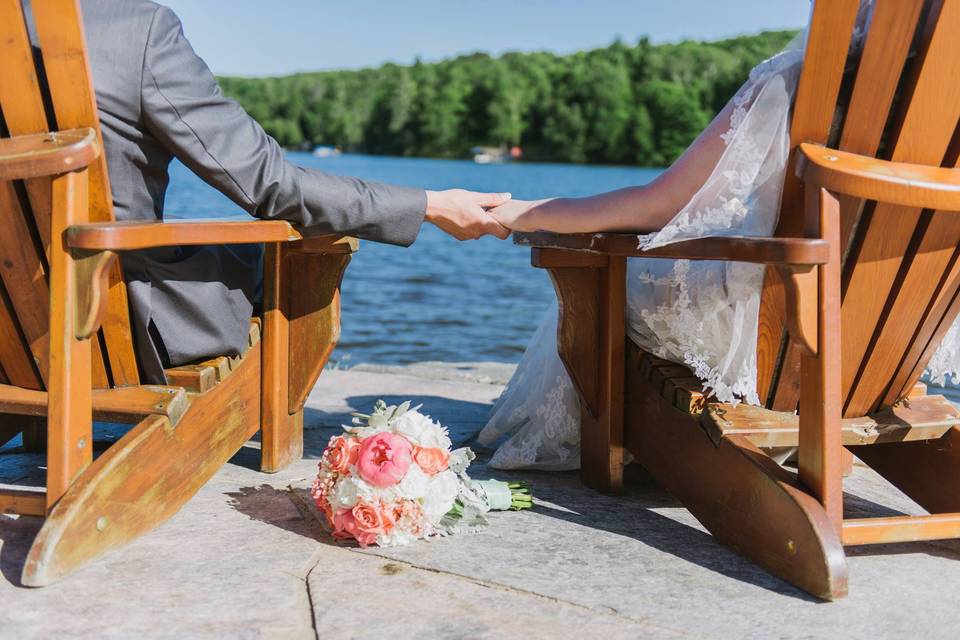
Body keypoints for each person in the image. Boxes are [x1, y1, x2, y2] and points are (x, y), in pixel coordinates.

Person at [477, 0, 960, 471]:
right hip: (892, 339)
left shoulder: (801, 81)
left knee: (614, 268)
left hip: (774, 340)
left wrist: (532, 212)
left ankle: (608, 441)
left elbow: (663, 205)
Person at [73, 0, 510, 384]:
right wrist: (430, 204)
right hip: (115, 332)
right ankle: (281, 423)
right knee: (283, 257)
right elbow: (270, 183)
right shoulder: (139, 28)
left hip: (15, 337)